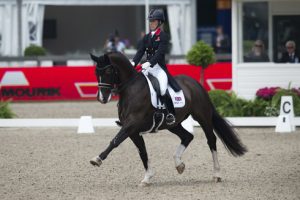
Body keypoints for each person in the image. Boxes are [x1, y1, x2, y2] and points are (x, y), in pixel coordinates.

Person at [131, 8, 180, 125]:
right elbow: (140, 52)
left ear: (159, 22)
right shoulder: (146, 37)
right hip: (147, 68)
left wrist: (149, 63)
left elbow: (160, 53)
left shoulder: (163, 36)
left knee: (162, 88)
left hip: (158, 68)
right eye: (150, 21)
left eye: (154, 21)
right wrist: (133, 63)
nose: (151, 23)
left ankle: (170, 113)